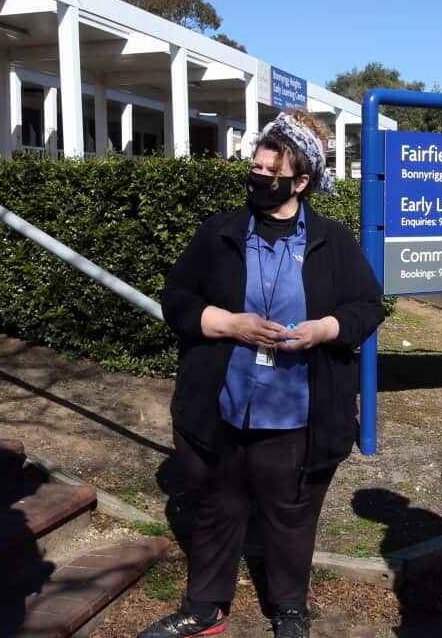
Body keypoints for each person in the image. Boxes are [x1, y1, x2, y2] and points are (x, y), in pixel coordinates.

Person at [142, 110, 385, 638]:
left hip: (298, 412)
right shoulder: (219, 233)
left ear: (301, 181)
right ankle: (205, 607)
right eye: (254, 167)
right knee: (216, 506)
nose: (257, 177)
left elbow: (368, 306)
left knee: (291, 515)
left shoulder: (333, 241)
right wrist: (229, 323)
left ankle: (290, 609)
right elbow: (176, 299)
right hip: (223, 404)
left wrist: (324, 329)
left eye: (270, 171)